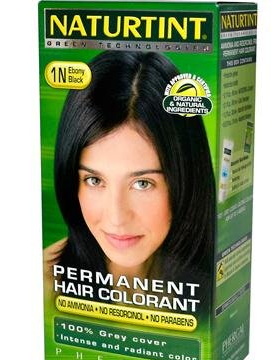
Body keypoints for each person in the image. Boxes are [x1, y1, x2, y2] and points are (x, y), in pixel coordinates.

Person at [44, 51, 215, 307]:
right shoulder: (45, 288)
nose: (117, 218)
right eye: (94, 180)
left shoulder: (218, 287)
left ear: (186, 180)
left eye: (142, 183)